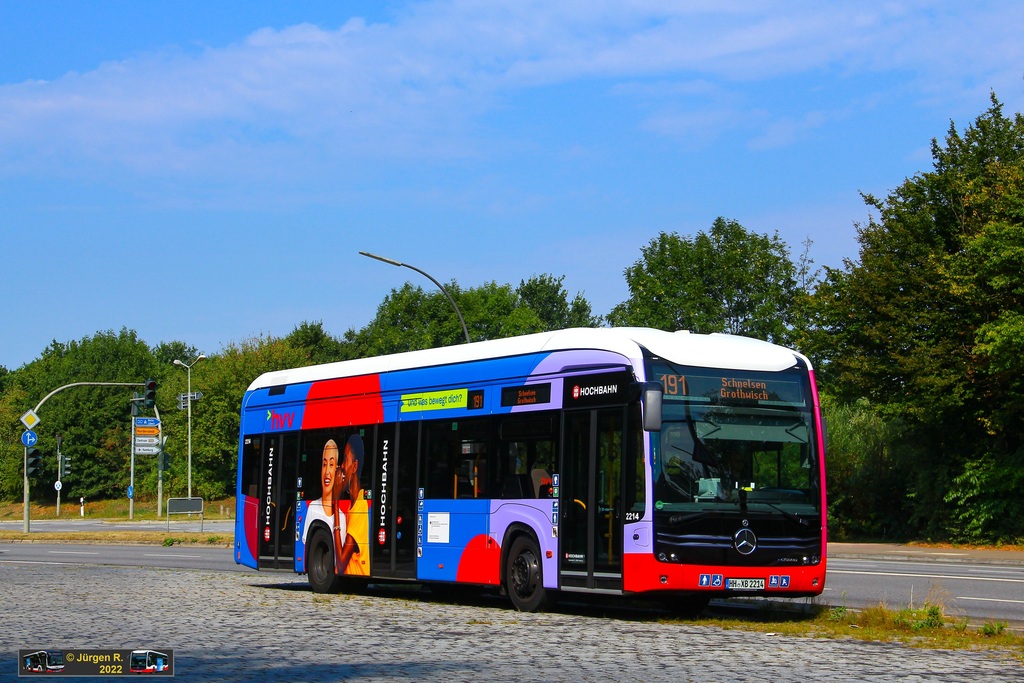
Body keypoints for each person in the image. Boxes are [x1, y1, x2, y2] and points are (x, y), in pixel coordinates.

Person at [334, 433, 369, 575]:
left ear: (354, 467)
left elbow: (341, 565)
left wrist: (335, 501)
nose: (341, 466)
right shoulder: (352, 504)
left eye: (344, 459)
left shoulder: (360, 507)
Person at [302, 439, 345, 548]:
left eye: (331, 464)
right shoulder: (312, 508)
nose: (327, 472)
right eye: (324, 464)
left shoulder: (341, 517)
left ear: (337, 470)